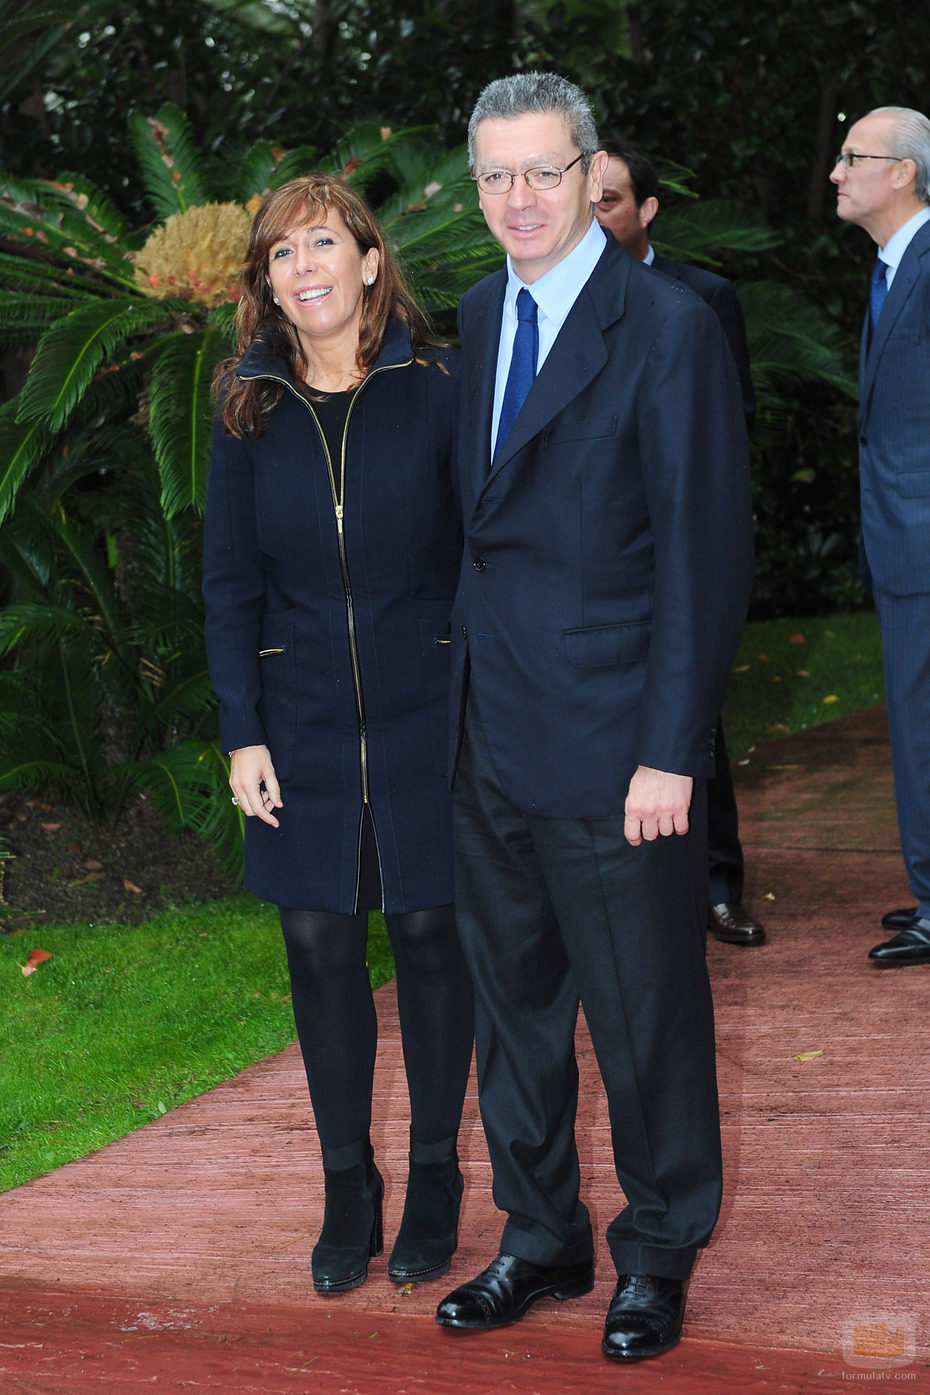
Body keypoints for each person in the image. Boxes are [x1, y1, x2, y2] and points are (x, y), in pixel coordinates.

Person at [434, 73, 754, 1361]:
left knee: (647, 1019)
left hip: (621, 748)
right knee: (512, 1013)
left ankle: (660, 1249)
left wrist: (670, 751)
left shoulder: (665, 328)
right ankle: (540, 1235)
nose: (520, 198)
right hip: (488, 739)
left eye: (544, 173)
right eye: (497, 177)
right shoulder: (473, 315)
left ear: (591, 174)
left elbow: (704, 556)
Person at [202, 174, 474, 1294]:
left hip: (429, 710)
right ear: (265, 285)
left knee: (426, 935)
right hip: (300, 716)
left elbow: (480, 554)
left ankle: (435, 1176)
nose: (303, 266)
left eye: (325, 242)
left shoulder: (442, 386)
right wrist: (241, 730)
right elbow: (227, 584)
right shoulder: (246, 405)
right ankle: (346, 1185)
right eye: (281, 253)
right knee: (317, 943)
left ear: (370, 261)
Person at [595, 140, 764, 949]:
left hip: (681, 550)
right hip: (607, 560)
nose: (599, 216)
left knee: (695, 720)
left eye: (614, 200)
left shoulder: (703, 299)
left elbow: (728, 429)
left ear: (648, 209)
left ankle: (719, 882)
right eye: (589, 200)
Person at [830, 107, 930, 967]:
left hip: (924, 538)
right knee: (915, 718)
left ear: (903, 171)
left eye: (853, 157)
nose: (836, 172)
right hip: (903, 540)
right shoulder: (897, 268)